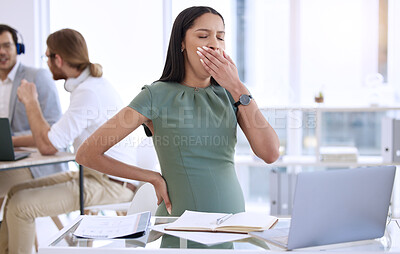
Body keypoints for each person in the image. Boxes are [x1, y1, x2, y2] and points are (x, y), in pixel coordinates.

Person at [77, 5, 279, 218]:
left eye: (220, 37)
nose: (214, 44)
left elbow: (270, 153)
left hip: (233, 221)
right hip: (182, 224)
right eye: (203, 36)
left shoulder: (233, 95)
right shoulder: (156, 95)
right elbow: (87, 154)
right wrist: (151, 177)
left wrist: (237, 86)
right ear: (181, 42)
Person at [0, 28, 137, 254]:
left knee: (20, 207)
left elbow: (48, 144)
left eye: (47, 57)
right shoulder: (88, 87)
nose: (46, 62)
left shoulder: (88, 92)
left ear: (59, 59)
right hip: (95, 175)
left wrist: (31, 102)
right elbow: (56, 135)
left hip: (111, 184)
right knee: (14, 192)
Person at [0, 24, 65, 208]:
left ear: (18, 48)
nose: (1, 52)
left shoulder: (38, 77)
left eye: (6, 45)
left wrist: (11, 142)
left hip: (37, 165)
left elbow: (54, 130)